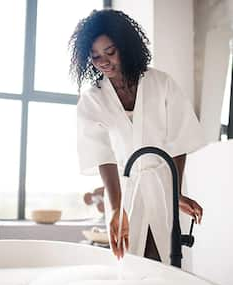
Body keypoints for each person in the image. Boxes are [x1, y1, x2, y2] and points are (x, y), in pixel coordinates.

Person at [69, 9, 205, 264]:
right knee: (131, 263)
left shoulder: (161, 84)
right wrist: (116, 209)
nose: (103, 61)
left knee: (166, 260)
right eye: (96, 56)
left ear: (126, 46)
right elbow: (103, 155)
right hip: (124, 191)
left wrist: (175, 194)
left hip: (162, 184)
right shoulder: (93, 99)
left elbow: (179, 141)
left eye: (110, 52)